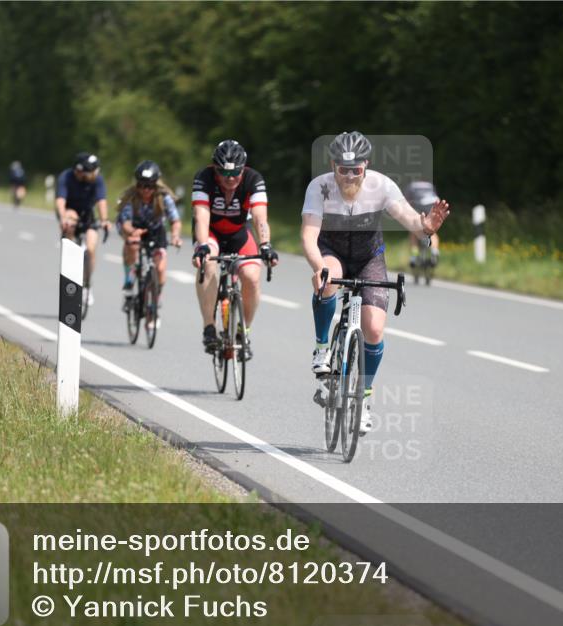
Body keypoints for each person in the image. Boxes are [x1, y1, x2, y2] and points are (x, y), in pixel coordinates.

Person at [301, 131, 450, 433]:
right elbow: (308, 235)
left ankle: (364, 398)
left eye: (355, 169)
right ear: (333, 166)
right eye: (343, 170)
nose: (349, 176)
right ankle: (321, 348)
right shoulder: (319, 188)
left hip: (369, 258)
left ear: (365, 165)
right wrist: (319, 267)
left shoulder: (382, 185)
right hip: (332, 251)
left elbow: (410, 220)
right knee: (328, 278)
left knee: (374, 328)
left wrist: (426, 228)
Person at [191, 139, 278, 357]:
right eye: (223, 173)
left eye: (235, 174)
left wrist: (266, 244)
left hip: (239, 232)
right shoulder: (204, 178)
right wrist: (201, 246)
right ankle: (209, 328)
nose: (230, 179)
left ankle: (243, 331)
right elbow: (201, 217)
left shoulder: (253, 179)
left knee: (251, 276)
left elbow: (260, 218)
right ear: (214, 168)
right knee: (208, 263)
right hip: (210, 232)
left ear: (243, 168)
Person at [117, 160, 182, 329]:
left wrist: (175, 236)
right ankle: (130, 278)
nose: (146, 190)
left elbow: (175, 220)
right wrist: (132, 232)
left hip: (155, 231)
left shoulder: (163, 198)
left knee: (160, 268)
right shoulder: (131, 198)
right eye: (142, 185)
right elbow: (125, 222)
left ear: (156, 185)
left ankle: (156, 299)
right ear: (137, 184)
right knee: (132, 245)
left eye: (150, 186)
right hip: (135, 228)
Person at [55, 152, 110, 306]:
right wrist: (62, 217)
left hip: (87, 214)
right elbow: (60, 200)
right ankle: (69, 254)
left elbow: (101, 201)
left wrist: (104, 219)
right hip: (70, 211)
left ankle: (87, 285)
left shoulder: (97, 179)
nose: (95, 174)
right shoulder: (66, 177)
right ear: (79, 171)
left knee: (91, 248)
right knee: (70, 220)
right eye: (92, 171)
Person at [405, 180, 441, 269]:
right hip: (433, 203)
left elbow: (406, 203)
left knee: (414, 230)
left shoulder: (411, 185)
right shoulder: (430, 185)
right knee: (431, 230)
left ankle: (414, 256)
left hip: (419, 204)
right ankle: (434, 251)